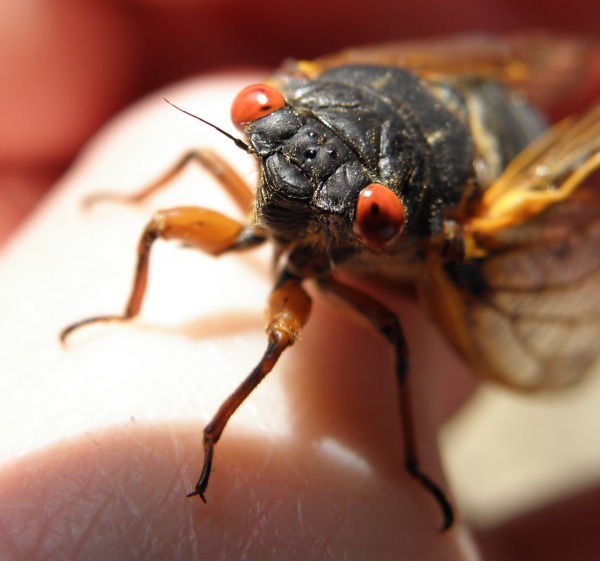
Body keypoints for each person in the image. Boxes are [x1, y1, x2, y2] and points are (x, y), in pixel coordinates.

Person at [0, 2, 598, 560]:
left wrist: (211, 443)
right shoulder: (303, 104)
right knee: (162, 220)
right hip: (418, 119)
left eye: (375, 217)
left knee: (374, 333)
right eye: (261, 108)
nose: (288, 182)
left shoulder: (438, 224)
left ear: (386, 218)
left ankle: (246, 434)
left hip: (503, 168)